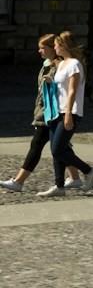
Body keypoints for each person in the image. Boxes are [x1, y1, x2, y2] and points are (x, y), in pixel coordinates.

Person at [40, 31, 93, 197]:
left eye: (56, 45)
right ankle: (59, 186)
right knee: (56, 149)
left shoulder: (74, 64)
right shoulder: (62, 63)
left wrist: (69, 115)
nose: (54, 47)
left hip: (69, 111)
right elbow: (62, 87)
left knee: (58, 149)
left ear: (64, 46)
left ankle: (89, 170)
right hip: (57, 110)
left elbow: (72, 90)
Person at [1, 35, 59, 193]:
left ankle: (18, 181)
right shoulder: (46, 64)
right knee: (62, 147)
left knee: (37, 145)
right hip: (44, 111)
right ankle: (81, 174)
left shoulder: (58, 66)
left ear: (53, 48)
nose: (39, 51)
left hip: (50, 113)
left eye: (42, 48)